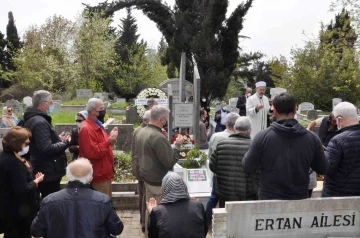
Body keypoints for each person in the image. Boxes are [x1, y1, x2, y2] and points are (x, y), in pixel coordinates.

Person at [242, 93, 329, 200]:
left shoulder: (262, 137)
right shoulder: (312, 138)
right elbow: (323, 168)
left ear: (274, 110)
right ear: (295, 109)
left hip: (269, 199)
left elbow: (248, 166)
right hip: (299, 197)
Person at [31, 158, 124, 238]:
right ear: (91, 178)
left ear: (67, 177)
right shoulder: (103, 200)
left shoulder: (49, 200)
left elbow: (36, 230)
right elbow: (116, 229)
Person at [136, 105, 184, 236]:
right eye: (166, 119)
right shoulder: (158, 137)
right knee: (161, 213)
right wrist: (178, 145)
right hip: (159, 181)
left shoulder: (142, 131)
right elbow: (169, 162)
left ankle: (148, 234)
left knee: (150, 210)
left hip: (147, 178)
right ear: (162, 120)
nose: (167, 121)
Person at [23, 90, 70, 199]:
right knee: (50, 201)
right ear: (43, 105)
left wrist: (57, 139)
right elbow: (47, 148)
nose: (51, 105)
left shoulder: (33, 118)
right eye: (50, 102)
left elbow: (42, 141)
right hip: (48, 171)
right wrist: (66, 142)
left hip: (44, 167)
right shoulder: (40, 122)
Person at [0, 126, 44, 238]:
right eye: (26, 143)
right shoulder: (13, 162)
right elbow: (21, 188)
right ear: (17, 143)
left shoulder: (7, 156)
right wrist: (36, 181)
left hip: (12, 208)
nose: (28, 146)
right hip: (19, 211)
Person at [210, 117, 258, 207]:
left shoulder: (221, 144)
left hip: (225, 193)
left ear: (235, 128)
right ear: (250, 131)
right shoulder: (254, 147)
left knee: (225, 219)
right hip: (247, 195)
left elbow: (212, 166)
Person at [147, 172, 208, 238]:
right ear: (183, 186)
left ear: (164, 188)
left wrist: (152, 213)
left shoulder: (157, 212)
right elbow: (204, 230)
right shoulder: (198, 206)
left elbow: (152, 235)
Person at [78, 98, 118, 197]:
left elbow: (101, 143)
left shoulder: (97, 125)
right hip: (97, 176)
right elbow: (93, 152)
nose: (104, 111)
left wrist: (110, 137)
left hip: (104, 174)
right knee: (101, 207)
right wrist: (109, 142)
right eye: (101, 108)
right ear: (93, 111)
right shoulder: (87, 129)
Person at [205, 112, 239, 226]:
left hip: (217, 173)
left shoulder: (216, 136)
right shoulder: (236, 138)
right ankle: (223, 223)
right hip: (232, 175)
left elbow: (210, 156)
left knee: (213, 197)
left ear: (226, 123)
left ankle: (206, 221)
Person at [322, 102, 360, 197]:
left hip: (338, 195)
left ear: (339, 119)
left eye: (335, 120)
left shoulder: (338, 140)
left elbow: (328, 169)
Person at [131, 110, 151, 232]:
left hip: (138, 167)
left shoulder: (136, 130)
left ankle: (141, 219)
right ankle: (144, 221)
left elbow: (133, 152)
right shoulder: (145, 131)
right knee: (145, 196)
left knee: (142, 195)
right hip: (144, 168)